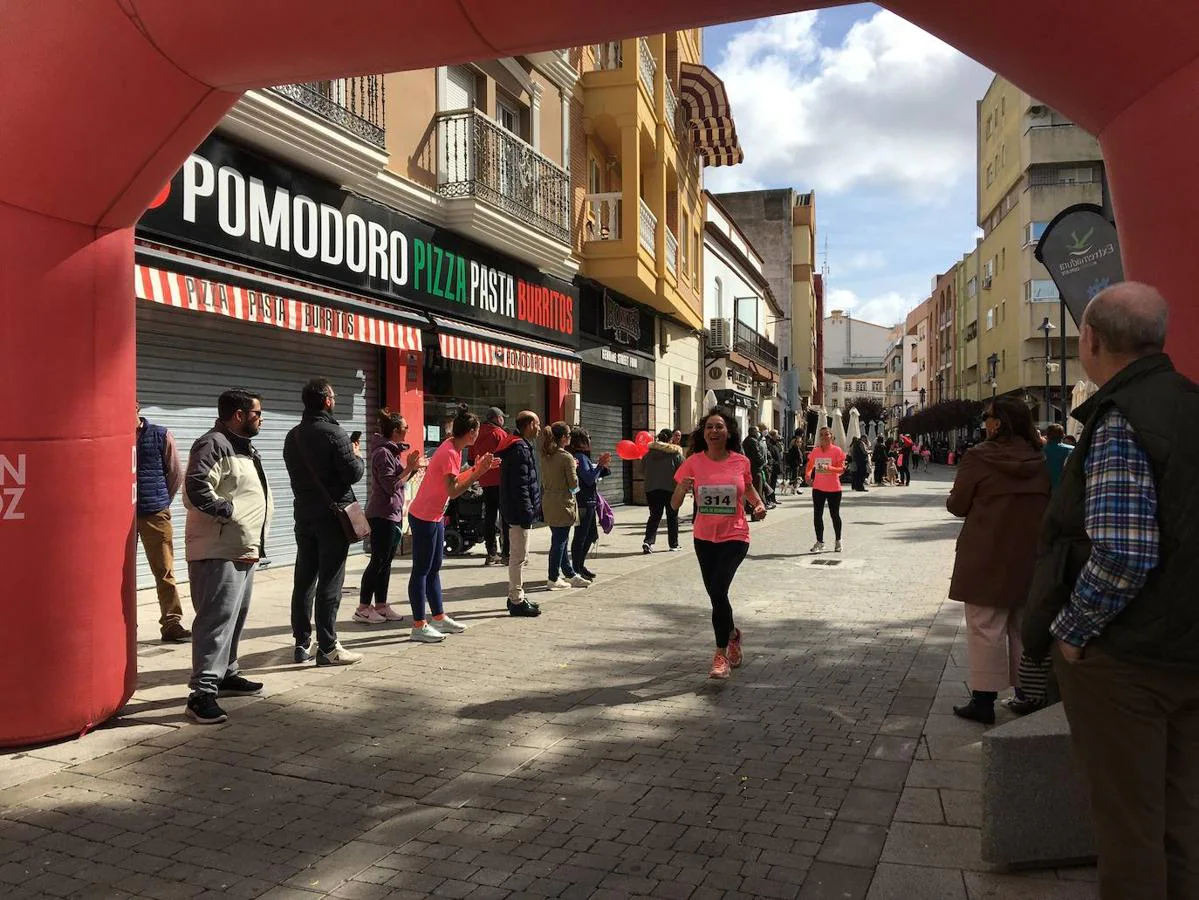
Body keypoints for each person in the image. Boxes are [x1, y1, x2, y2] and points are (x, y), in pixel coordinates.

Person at [1023, 283, 1199, 900]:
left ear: (1090, 341)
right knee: (1182, 821)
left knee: (1129, 831)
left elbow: (1124, 551)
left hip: (1128, 660)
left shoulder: (1121, 417)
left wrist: (1071, 632)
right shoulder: (1188, 403)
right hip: (1185, 649)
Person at [945, 396, 1050, 724]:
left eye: (988, 416)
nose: (984, 422)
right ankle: (1027, 694)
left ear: (1000, 421)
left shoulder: (979, 457)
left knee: (985, 626)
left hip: (985, 552)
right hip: (1028, 553)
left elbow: (958, 505)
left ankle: (984, 701)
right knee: (1020, 625)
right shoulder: (1040, 457)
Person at [181, 390, 272, 724]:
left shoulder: (242, 446)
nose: (261, 418)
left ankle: (227, 674)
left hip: (241, 548)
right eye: (257, 413)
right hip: (218, 549)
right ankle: (201, 693)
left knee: (235, 617)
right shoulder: (213, 444)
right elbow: (195, 487)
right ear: (238, 414)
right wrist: (230, 512)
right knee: (215, 620)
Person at [672, 410, 767, 679]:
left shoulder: (741, 461)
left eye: (720, 427)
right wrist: (681, 489)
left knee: (717, 589)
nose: (714, 431)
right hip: (704, 537)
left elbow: (748, 489)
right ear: (704, 433)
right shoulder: (692, 462)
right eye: (709, 427)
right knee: (717, 596)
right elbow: (674, 504)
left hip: (735, 536)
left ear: (729, 432)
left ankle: (720, 655)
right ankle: (734, 634)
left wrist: (758, 504)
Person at [283, 377, 364, 666]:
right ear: (327, 401)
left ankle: (301, 642)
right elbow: (353, 473)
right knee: (331, 579)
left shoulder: (292, 436)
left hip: (304, 515)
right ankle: (328, 647)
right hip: (333, 518)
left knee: (304, 579)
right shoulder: (335, 433)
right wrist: (356, 455)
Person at [406, 405, 498, 641]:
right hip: (424, 516)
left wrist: (478, 468)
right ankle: (419, 625)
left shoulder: (454, 449)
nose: (478, 436)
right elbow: (453, 490)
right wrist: (478, 472)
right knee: (421, 571)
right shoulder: (448, 452)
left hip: (435, 515)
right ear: (471, 432)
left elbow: (455, 482)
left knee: (434, 567)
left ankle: (438, 617)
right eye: (477, 432)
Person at [354, 409, 424, 624]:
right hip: (381, 515)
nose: (407, 431)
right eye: (405, 428)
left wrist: (413, 469)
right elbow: (391, 485)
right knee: (377, 561)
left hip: (392, 514)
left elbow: (399, 478)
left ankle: (381, 605)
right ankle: (363, 607)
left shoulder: (391, 452)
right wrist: (408, 470)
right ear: (395, 431)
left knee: (386, 563)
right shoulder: (383, 453)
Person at [135, 403, 190, 642]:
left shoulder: (159, 434)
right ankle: (126, 625)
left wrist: (161, 500)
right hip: (118, 516)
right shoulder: (113, 435)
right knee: (120, 575)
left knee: (164, 570)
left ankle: (171, 623)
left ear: (136, 407)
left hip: (154, 513)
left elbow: (176, 472)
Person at [498, 410, 543, 616]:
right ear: (529, 425)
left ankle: (515, 596)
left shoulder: (519, 445)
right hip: (518, 512)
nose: (540, 428)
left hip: (515, 510)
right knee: (518, 557)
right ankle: (516, 600)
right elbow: (521, 485)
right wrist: (527, 511)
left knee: (518, 555)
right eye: (537, 424)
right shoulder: (519, 449)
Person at [540, 421, 591, 590]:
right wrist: (574, 468)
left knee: (559, 538)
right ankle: (553, 577)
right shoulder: (566, 457)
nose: (570, 438)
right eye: (568, 435)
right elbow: (573, 485)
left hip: (549, 501)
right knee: (560, 542)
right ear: (563, 438)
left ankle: (568, 573)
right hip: (563, 503)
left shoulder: (546, 455)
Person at [570, 428, 612, 580]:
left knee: (590, 535)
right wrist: (600, 465)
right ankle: (576, 568)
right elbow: (588, 478)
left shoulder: (583, 457)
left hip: (588, 502)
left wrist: (603, 467)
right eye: (588, 437)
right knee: (582, 536)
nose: (590, 440)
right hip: (583, 502)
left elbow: (592, 475)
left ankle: (579, 565)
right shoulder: (579, 457)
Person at [470, 407, 509, 566]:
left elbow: (472, 460)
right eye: (502, 417)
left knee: (490, 517)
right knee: (506, 517)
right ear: (497, 418)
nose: (503, 420)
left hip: (485, 481)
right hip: (501, 480)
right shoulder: (499, 434)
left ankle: (491, 553)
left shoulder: (477, 434)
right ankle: (507, 553)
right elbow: (508, 457)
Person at [805, 427, 846, 553]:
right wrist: (807, 475)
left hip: (834, 488)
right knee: (817, 515)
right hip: (818, 487)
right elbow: (810, 465)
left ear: (831, 436)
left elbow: (842, 469)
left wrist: (830, 468)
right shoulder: (816, 451)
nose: (823, 436)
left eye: (826, 434)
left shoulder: (837, 451)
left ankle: (838, 540)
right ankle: (820, 541)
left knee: (835, 515)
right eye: (821, 434)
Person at [642, 429, 683, 553]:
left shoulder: (648, 455)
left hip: (651, 489)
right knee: (672, 517)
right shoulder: (675, 454)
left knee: (654, 516)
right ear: (670, 440)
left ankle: (648, 541)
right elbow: (683, 470)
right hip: (671, 489)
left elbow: (641, 470)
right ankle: (673, 544)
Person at [1041, 423, 1072, 493]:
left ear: (1047, 435)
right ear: (1063, 436)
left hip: (1044, 490)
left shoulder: (1039, 451)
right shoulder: (1072, 450)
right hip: (1065, 489)